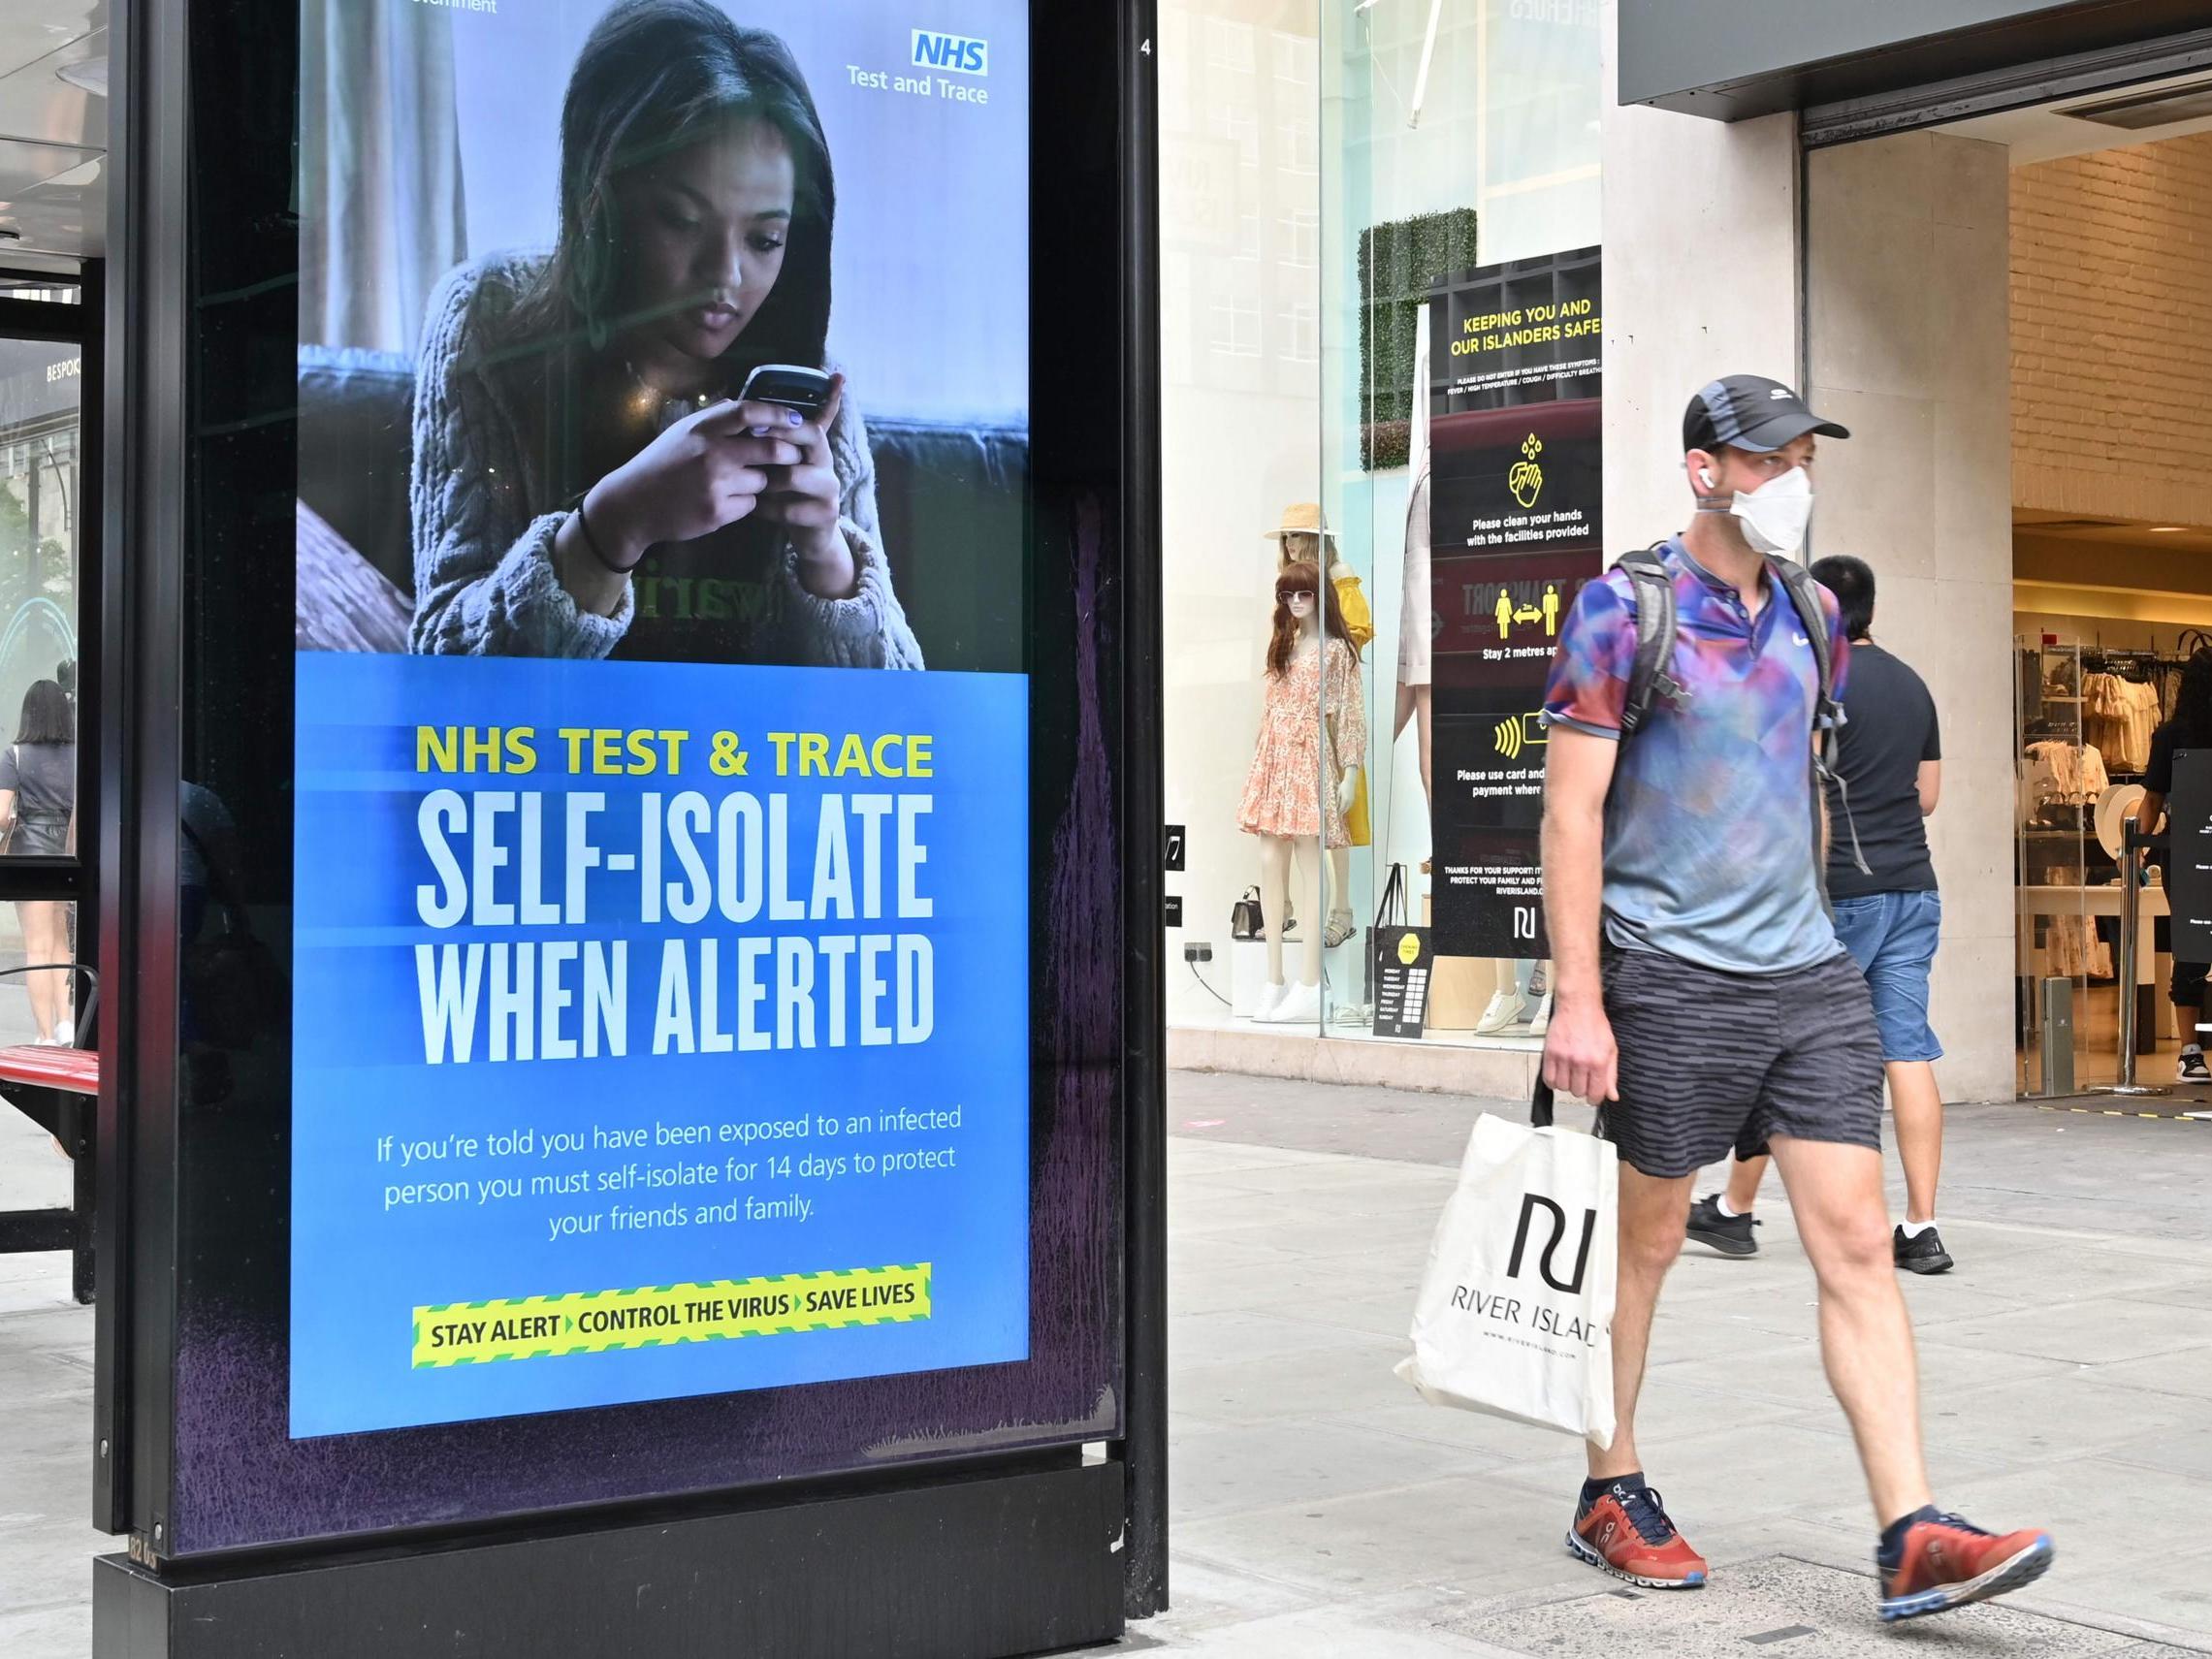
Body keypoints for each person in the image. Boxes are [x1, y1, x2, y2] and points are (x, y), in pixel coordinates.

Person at [1538, 374, 2051, 1620]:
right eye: (1768, 459)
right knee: (1648, 1243)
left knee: (1859, 1241)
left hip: (1808, 975)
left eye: (1803, 457)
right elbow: (1569, 811)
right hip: (1666, 972)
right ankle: (1611, 1486)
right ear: (1705, 469)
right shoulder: (1623, 611)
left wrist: (1814, 920)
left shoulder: (1815, 615)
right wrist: (1577, 996)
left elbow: (1804, 784)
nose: (1792, 480)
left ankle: (1912, 1531)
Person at [410, 0, 921, 668]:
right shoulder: (487, 318)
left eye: (765, 238)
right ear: (602, 200)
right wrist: (612, 527)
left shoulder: (807, 384)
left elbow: (903, 717)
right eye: (681, 221)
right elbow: (437, 667)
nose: (726, 277)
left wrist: (827, 555)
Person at [1687, 556, 1953, 1274]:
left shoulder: (1811, 680)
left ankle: (1735, 1211)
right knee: (1907, 1050)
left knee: (1780, 1041)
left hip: (1836, 892)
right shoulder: (1911, 683)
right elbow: (1925, 795)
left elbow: (1781, 785)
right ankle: (1921, 1226)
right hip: (1913, 887)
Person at [2133, 647, 2212, 1082]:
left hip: (2187, 852)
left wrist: (2138, 848)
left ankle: (2190, 1049)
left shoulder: (2170, 734)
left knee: (2192, 944)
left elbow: (2152, 800)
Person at [0, 679, 77, 1044]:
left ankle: (44, 1035)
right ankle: (66, 1024)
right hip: (69, 850)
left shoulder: (13, 755)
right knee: (62, 944)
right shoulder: (81, 755)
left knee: (37, 947)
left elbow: (1, 815)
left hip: (30, 852)